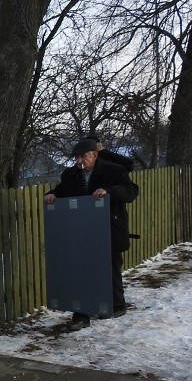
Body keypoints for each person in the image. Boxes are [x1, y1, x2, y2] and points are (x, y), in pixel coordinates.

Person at [44, 137, 139, 331]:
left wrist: (108, 191)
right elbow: (62, 191)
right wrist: (53, 194)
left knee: (110, 267)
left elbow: (131, 191)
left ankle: (116, 304)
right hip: (82, 232)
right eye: (77, 157)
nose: (79, 161)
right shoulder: (70, 175)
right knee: (81, 271)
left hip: (108, 228)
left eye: (83, 156)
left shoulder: (113, 171)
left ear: (94, 155)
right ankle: (81, 312)